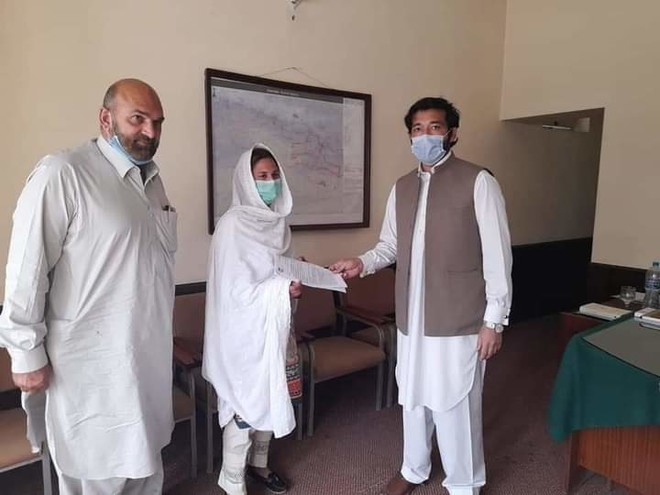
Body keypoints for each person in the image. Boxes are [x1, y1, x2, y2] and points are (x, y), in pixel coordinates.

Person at [0, 79, 177, 494]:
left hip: (147, 363)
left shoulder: (153, 184)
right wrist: (25, 354)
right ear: (105, 118)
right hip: (90, 372)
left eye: (157, 122)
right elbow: (27, 268)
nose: (150, 132)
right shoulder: (63, 173)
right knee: (98, 475)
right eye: (138, 119)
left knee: (145, 470)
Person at [330, 97, 512, 495]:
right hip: (411, 317)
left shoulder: (478, 181)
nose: (424, 135)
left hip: (458, 318)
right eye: (417, 129)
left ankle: (464, 483)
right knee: (413, 396)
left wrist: (494, 321)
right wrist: (362, 263)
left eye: (434, 127)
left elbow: (498, 256)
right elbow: (389, 245)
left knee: (455, 401)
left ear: (452, 134)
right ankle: (414, 468)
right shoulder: (402, 187)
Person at [203, 144, 302, 495]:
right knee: (244, 403)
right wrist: (281, 289)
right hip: (241, 334)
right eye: (262, 176)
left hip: (274, 327)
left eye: (274, 175)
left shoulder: (278, 224)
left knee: (271, 395)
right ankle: (232, 478)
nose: (270, 182)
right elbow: (234, 291)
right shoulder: (232, 226)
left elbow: (279, 270)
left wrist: (293, 282)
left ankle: (259, 464)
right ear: (246, 181)